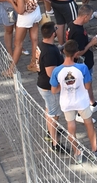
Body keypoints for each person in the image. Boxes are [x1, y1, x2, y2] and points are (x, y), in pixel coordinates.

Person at [50, 40, 97, 163]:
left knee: (71, 126)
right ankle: (94, 149)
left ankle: (77, 153)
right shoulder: (82, 67)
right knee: (89, 124)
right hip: (81, 101)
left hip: (66, 102)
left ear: (64, 52)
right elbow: (87, 87)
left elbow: (54, 90)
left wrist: (64, 85)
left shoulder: (57, 70)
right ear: (76, 53)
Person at [36, 21, 66, 153]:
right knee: (54, 115)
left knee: (49, 110)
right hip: (49, 88)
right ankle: (55, 143)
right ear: (53, 34)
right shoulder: (50, 52)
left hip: (42, 84)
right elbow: (51, 73)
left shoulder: (42, 45)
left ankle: (50, 132)